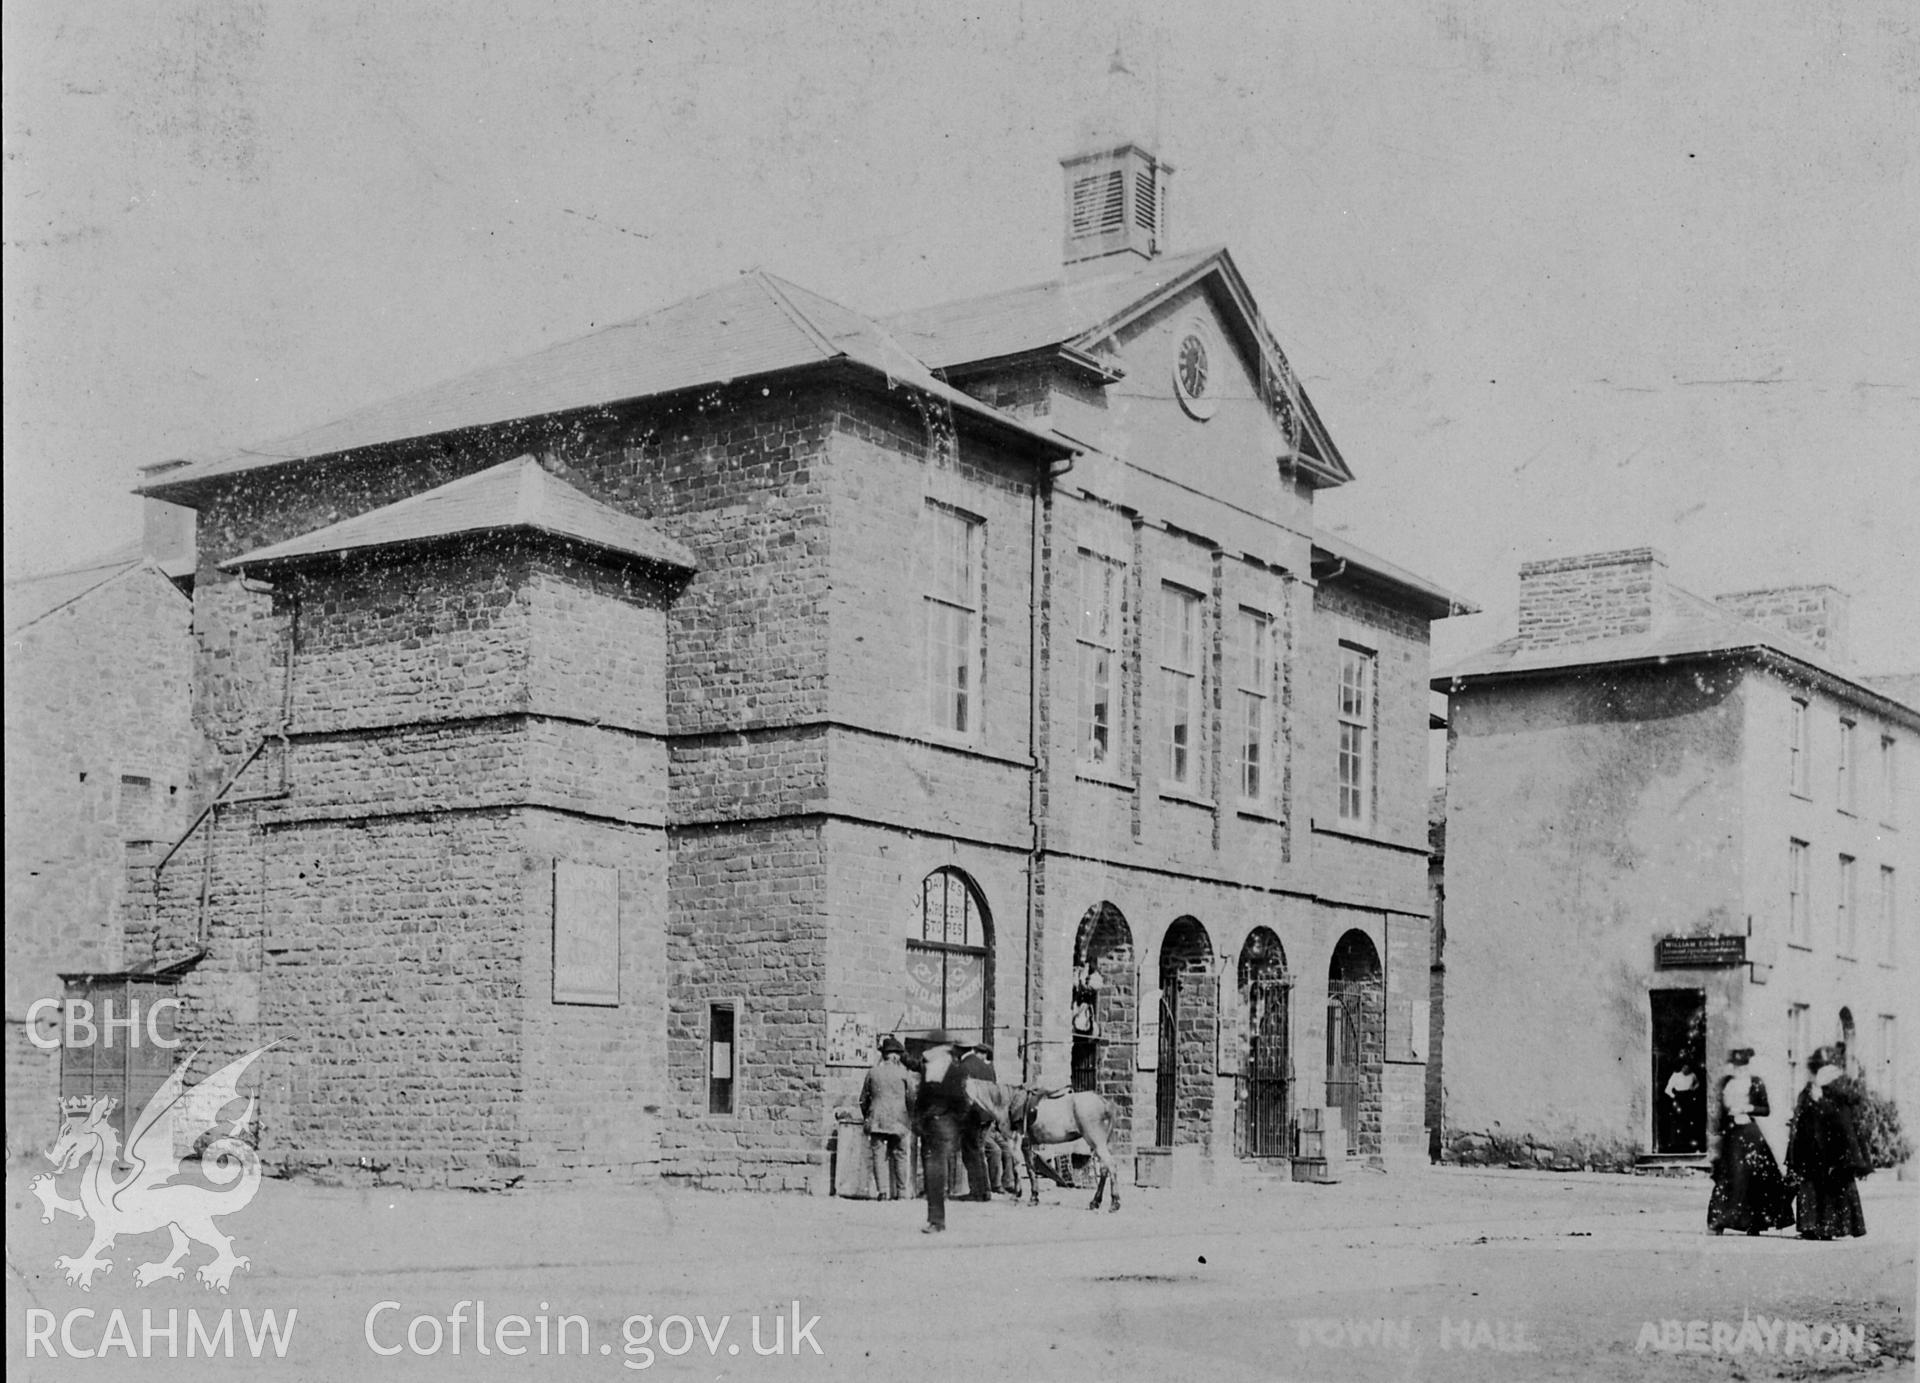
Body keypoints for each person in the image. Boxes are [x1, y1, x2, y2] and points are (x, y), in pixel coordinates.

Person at [1705, 1046, 1793, 1235]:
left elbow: (1765, 1109)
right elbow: (1719, 1112)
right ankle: (1718, 1221)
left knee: (1754, 1178)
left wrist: (1747, 1107)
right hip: (1731, 1135)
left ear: (1747, 1066)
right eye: (1736, 1066)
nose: (1739, 1070)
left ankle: (1755, 1223)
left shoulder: (1755, 1083)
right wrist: (1717, 1135)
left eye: (1742, 1066)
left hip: (1750, 1134)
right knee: (1727, 1177)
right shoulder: (1726, 1083)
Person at [1786, 1046, 1870, 1240]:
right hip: (1812, 1144)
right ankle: (1810, 1226)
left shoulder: (1840, 1089)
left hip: (1833, 1145)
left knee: (1833, 1183)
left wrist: (1821, 1099)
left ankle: (1831, 1227)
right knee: (1810, 1184)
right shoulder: (1809, 1091)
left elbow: (1845, 1117)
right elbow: (1801, 1117)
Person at [911, 1030, 987, 1234]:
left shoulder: (956, 1070)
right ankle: (935, 1217)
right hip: (929, 1125)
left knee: (935, 1170)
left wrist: (952, 1122)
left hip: (944, 1125)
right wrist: (918, 1120)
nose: (927, 1050)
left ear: (941, 1048)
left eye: (930, 1047)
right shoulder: (929, 1069)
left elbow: (962, 1102)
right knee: (931, 1170)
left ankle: (937, 1220)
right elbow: (921, 1098)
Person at [860, 1036, 915, 1201]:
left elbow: (863, 1099)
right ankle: (902, 1192)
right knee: (900, 1154)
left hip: (877, 1119)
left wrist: (868, 1116)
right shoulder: (904, 1073)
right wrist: (909, 1116)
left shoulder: (872, 1072)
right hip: (899, 1120)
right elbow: (911, 1098)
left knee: (879, 1154)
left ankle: (882, 1192)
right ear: (894, 1056)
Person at [1660, 1058, 1705, 1153]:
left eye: (1688, 1068)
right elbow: (1667, 1089)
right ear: (1682, 1067)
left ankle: (1688, 1145)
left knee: (1689, 1121)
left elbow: (1697, 1083)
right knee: (1677, 1121)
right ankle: (1676, 1145)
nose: (1686, 1069)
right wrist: (1674, 1097)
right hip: (1678, 1099)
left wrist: (1693, 1088)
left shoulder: (1692, 1075)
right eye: (1684, 1067)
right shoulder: (1676, 1075)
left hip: (1689, 1098)